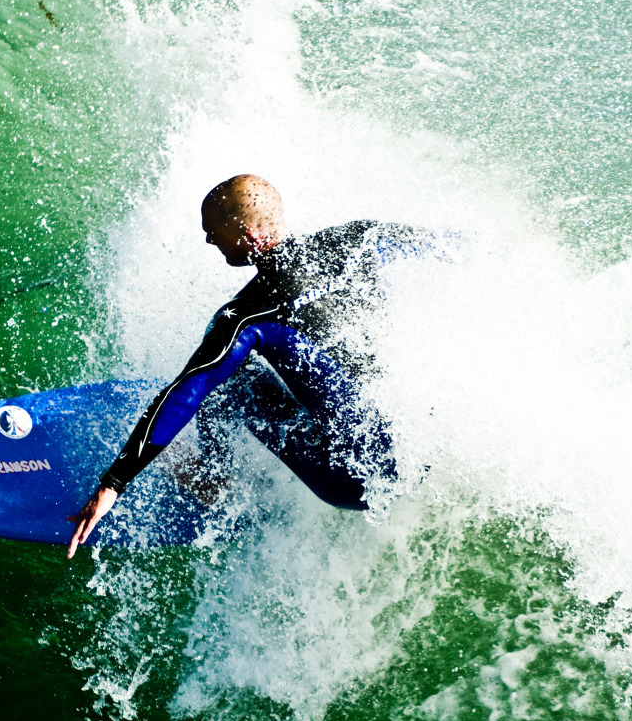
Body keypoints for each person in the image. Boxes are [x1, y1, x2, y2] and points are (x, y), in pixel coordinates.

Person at [67, 174, 411, 558]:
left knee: (226, 381)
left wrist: (113, 482)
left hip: (357, 481)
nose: (209, 240)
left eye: (214, 232)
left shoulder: (247, 315)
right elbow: (470, 254)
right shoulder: (360, 238)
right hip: (418, 450)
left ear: (249, 237)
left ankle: (213, 483)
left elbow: (186, 392)